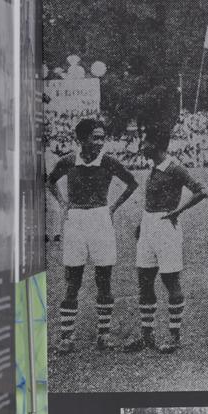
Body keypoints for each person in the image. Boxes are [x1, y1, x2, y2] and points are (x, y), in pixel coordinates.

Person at [47, 117, 139, 352]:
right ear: (81, 139)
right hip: (76, 219)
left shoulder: (108, 162)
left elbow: (132, 183)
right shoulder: (68, 160)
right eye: (95, 137)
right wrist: (62, 203)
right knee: (72, 280)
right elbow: (50, 181)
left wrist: (113, 207)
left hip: (100, 218)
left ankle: (103, 334)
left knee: (103, 279)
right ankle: (67, 336)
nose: (100, 142)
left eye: (102, 138)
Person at [123, 125, 208, 354]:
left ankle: (174, 336)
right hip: (149, 225)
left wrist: (177, 212)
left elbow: (201, 191)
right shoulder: (153, 166)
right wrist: (143, 223)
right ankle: (147, 335)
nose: (141, 147)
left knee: (171, 281)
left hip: (166, 225)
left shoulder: (175, 168)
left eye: (145, 143)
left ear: (157, 145)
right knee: (144, 280)